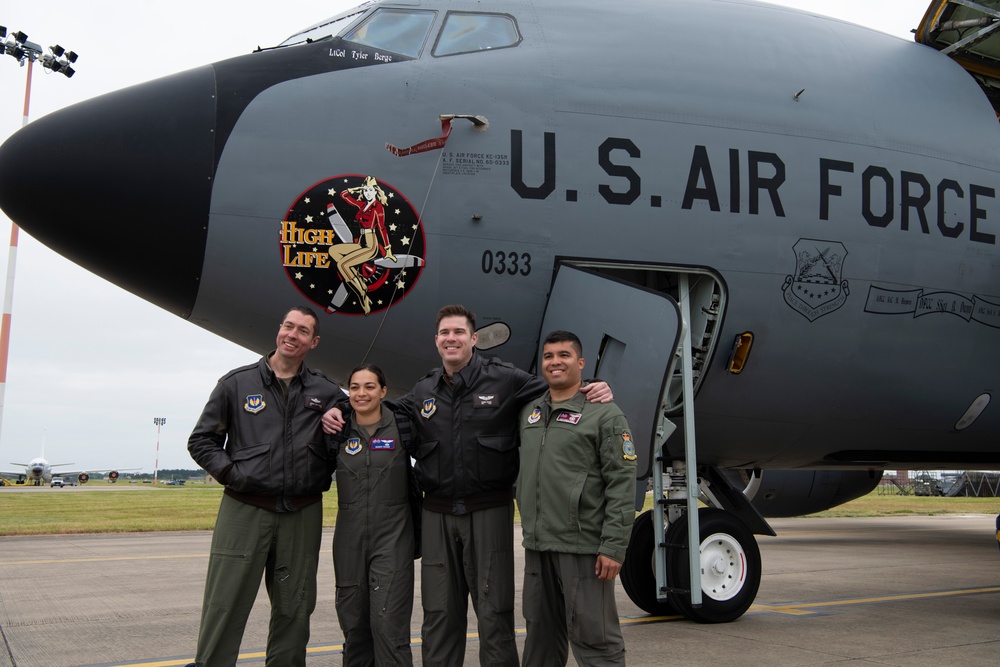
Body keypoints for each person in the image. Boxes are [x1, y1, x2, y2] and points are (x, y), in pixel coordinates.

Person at [324, 304, 612, 666]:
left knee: (494, 612)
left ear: (474, 339)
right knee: (440, 614)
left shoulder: (505, 378)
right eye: (445, 333)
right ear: (437, 341)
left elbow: (556, 387)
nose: (451, 339)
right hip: (438, 514)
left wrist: (592, 387)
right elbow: (375, 406)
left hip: (488, 511)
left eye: (459, 332)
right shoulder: (424, 389)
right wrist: (338, 407)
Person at [185, 306, 343, 667]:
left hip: (302, 511)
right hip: (244, 508)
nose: (292, 334)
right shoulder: (236, 383)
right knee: (225, 601)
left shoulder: (325, 389)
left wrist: (342, 414)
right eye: (288, 326)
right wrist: (234, 475)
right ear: (279, 330)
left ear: (313, 342)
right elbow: (202, 441)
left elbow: (355, 420)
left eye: (303, 331)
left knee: (296, 605)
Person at [516, 330, 636, 666]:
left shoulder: (605, 414)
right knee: (539, 641)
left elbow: (622, 483)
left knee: (595, 638)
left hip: (583, 548)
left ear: (580, 363)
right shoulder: (530, 414)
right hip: (538, 546)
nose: (555, 362)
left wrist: (614, 546)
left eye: (564, 355)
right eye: (549, 356)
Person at [330, 363, 420, 666]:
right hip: (348, 541)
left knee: (388, 625)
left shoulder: (404, 426)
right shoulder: (338, 430)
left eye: (370, 386)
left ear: (383, 391)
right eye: (354, 387)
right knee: (354, 626)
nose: (361, 393)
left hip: (393, 538)